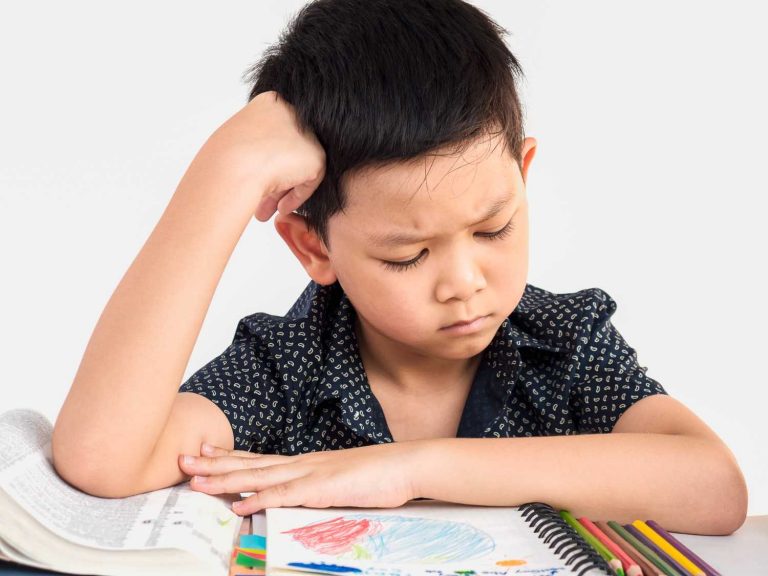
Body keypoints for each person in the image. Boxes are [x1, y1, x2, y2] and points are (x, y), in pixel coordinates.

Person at [51, 0, 747, 535]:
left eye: (494, 227)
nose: (465, 282)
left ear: (524, 175)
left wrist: (411, 469)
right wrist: (225, 173)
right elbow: (104, 458)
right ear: (313, 247)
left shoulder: (560, 343)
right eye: (408, 255)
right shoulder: (287, 365)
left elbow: (714, 488)